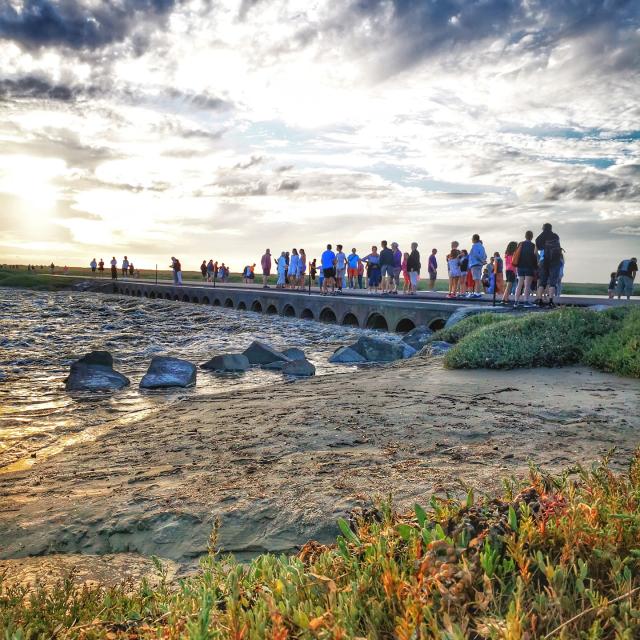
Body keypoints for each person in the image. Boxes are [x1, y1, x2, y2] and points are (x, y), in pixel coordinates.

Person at [535, 223, 562, 307]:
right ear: (551, 228)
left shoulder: (539, 238)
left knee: (542, 281)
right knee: (552, 282)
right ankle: (550, 301)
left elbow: (537, 249)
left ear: (543, 228)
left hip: (544, 261)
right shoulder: (555, 236)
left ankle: (539, 300)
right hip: (555, 261)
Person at [513, 231, 537, 307]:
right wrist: (536, 267)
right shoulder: (533, 246)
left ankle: (516, 302)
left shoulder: (520, 244)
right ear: (532, 237)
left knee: (519, 284)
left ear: (525, 236)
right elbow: (535, 257)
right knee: (527, 285)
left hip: (520, 267)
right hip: (529, 267)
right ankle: (526, 301)